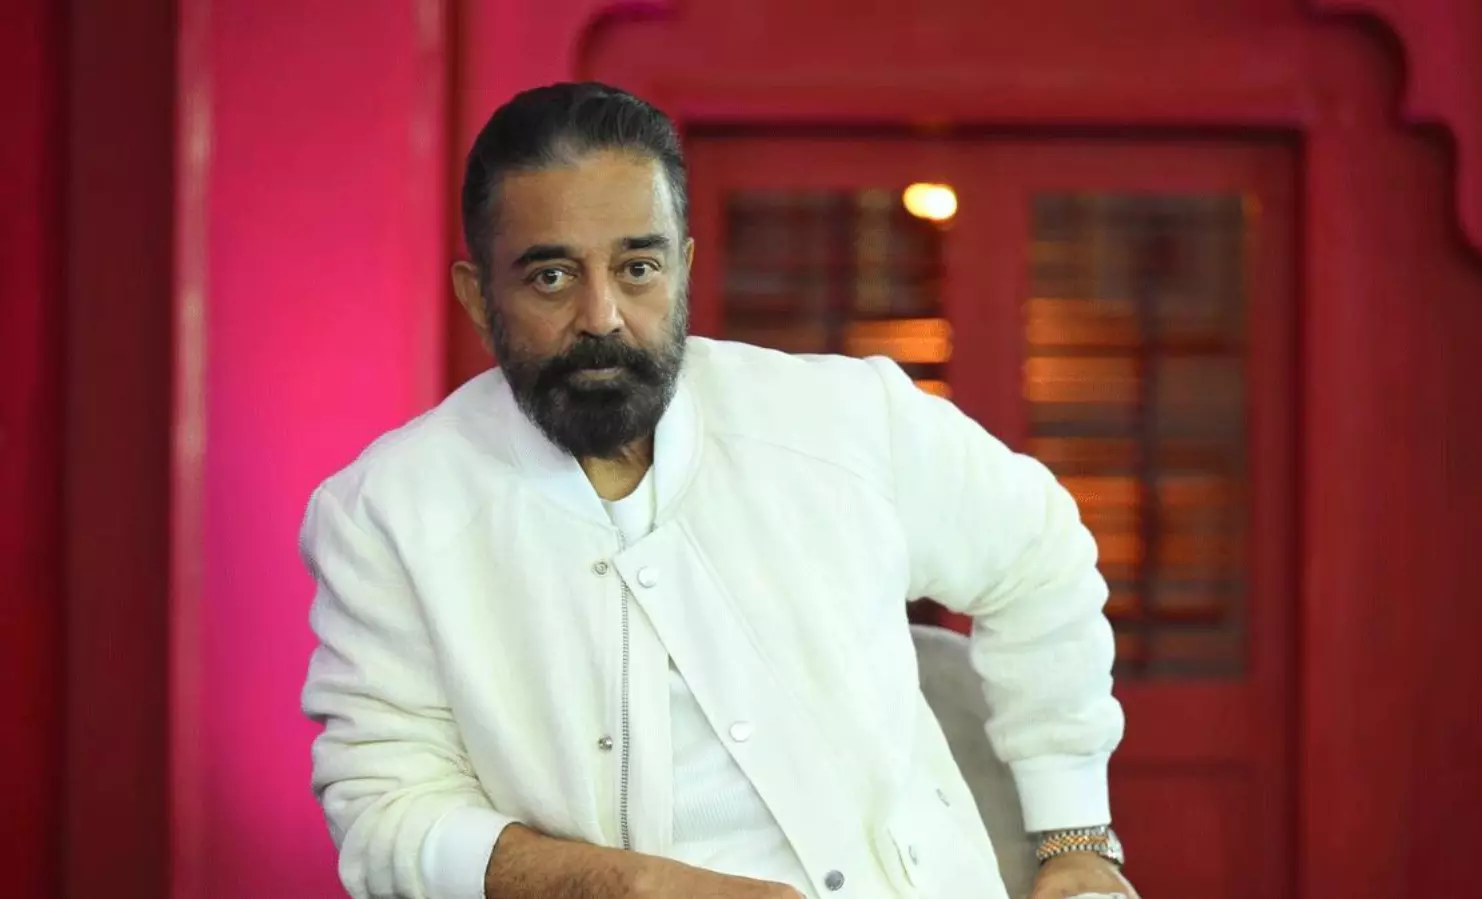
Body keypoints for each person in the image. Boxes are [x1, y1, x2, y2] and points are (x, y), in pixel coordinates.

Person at [300, 81, 1136, 899]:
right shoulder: (387, 514)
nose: (602, 315)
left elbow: (1040, 557)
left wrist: (1074, 837)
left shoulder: (845, 417)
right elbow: (385, 810)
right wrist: (625, 885)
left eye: (638, 267)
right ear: (479, 298)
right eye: (551, 277)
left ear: (684, 267)